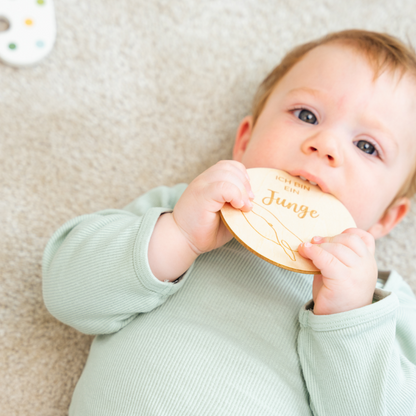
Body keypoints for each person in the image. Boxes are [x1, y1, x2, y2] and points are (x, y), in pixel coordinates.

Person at [42, 29, 416, 415]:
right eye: (306, 115)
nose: (326, 145)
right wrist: (179, 237)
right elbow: (65, 291)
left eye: (367, 146)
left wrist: (350, 317)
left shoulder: (383, 304)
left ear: (388, 217)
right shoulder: (185, 209)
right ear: (245, 140)